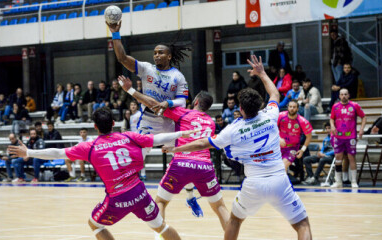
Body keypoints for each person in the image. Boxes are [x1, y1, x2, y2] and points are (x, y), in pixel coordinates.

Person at [163, 55, 312, 240]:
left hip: (253, 184)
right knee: (302, 225)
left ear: (240, 108)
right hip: (279, 179)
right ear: (259, 106)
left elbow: (203, 142)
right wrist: (262, 73)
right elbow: (275, 94)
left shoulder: (232, 129)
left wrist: (176, 149)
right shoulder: (271, 114)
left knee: (234, 220)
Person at [8, 107, 192, 240]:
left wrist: (29, 152)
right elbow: (156, 139)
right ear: (113, 123)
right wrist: (180, 134)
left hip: (117, 198)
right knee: (161, 227)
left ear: (95, 127)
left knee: (94, 224)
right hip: (139, 192)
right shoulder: (128, 136)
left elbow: (58, 152)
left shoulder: (90, 147)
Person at [107, 20, 201, 214]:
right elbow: (122, 58)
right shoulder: (146, 68)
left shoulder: (177, 76)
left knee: (184, 160)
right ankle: (126, 194)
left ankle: (191, 197)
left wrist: (168, 103)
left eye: (160, 52)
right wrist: (115, 33)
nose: (156, 55)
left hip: (170, 121)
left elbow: (183, 101)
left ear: (169, 55)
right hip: (149, 121)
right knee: (136, 158)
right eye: (155, 52)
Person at [119, 76, 230, 233]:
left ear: (196, 102)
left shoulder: (183, 114)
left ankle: (161, 237)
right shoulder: (211, 123)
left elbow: (153, 105)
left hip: (181, 163)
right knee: (220, 207)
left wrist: (130, 90)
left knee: (161, 202)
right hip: (204, 165)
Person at [330, 88, 366, 188]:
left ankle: (353, 181)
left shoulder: (355, 105)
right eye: (342, 94)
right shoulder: (335, 106)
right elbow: (332, 118)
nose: (344, 96)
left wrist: (361, 129)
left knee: (351, 158)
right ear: (339, 96)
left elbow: (364, 117)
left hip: (351, 136)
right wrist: (332, 126)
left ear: (348, 95)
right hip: (338, 136)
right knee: (338, 158)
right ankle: (338, 181)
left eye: (345, 94)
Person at [278, 100, 313, 172]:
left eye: (294, 107)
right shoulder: (280, 116)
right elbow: (272, 128)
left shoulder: (302, 121)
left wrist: (302, 150)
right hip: (278, 147)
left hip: (292, 148)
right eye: (290, 107)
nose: (292, 109)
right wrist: (278, 138)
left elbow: (309, 136)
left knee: (283, 166)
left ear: (297, 109)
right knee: (277, 169)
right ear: (287, 108)